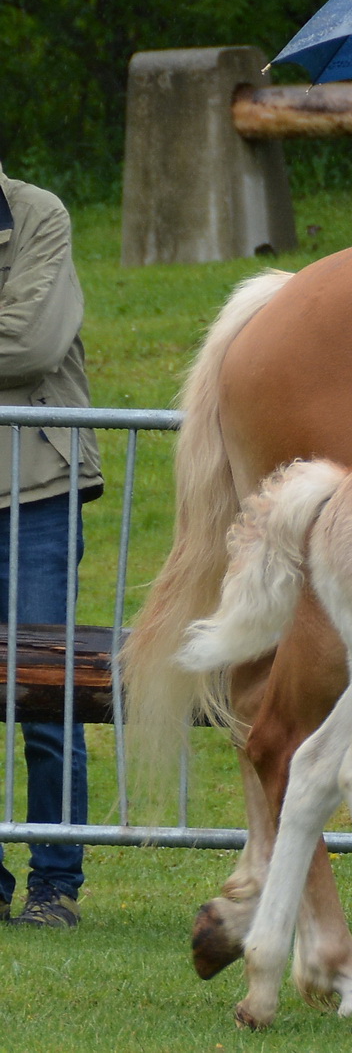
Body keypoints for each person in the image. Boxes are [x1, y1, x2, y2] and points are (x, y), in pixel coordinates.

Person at [0, 161, 103, 928]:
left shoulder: (41, 212)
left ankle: (53, 883)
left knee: (44, 686)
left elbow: (29, 344)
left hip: (36, 486)